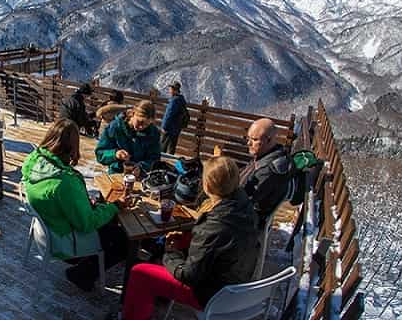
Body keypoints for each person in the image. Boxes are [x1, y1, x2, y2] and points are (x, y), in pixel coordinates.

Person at [115, 156, 259, 320]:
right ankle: (157, 297)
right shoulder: (244, 205)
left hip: (213, 295)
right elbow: (216, 244)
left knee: (140, 273)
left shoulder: (216, 225)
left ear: (207, 185)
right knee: (179, 240)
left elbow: (188, 275)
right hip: (237, 282)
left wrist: (170, 253)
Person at [21, 119, 128, 291]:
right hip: (63, 241)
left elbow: (59, 200)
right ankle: (82, 274)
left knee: (105, 217)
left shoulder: (35, 160)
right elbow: (86, 224)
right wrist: (114, 206)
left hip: (46, 229)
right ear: (72, 147)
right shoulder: (64, 182)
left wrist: (87, 204)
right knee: (123, 239)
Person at [241, 118, 294, 226]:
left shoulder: (268, 171)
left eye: (254, 139)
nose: (248, 143)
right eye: (248, 138)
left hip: (248, 220)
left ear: (269, 140)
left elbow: (244, 199)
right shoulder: (265, 156)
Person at [95, 100, 161, 174]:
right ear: (133, 114)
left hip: (140, 176)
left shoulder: (153, 133)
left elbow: (154, 159)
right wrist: (115, 154)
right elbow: (100, 154)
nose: (142, 127)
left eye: (146, 124)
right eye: (140, 122)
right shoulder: (116, 127)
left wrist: (141, 167)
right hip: (116, 173)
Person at [160, 81, 188, 155]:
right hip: (176, 129)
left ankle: (159, 164)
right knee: (171, 148)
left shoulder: (174, 101)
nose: (169, 90)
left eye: (171, 89)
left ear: (174, 90)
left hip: (169, 128)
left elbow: (169, 114)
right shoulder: (181, 100)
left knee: (162, 148)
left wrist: (164, 127)